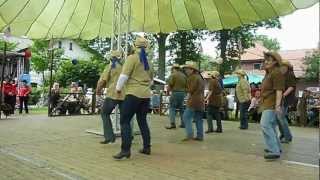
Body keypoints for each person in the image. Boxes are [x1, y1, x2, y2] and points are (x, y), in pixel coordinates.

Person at [113, 37, 153, 159]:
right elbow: (151, 80)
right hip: (146, 95)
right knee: (142, 121)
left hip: (133, 94)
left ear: (134, 46)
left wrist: (118, 89)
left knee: (124, 121)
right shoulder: (149, 62)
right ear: (147, 48)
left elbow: (124, 76)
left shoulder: (132, 58)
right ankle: (147, 148)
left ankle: (125, 150)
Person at [260, 51, 285, 160]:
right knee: (271, 126)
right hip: (267, 103)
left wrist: (278, 105)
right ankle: (276, 147)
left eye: (269, 60)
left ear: (275, 62)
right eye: (266, 60)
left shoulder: (276, 73)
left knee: (265, 125)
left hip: (272, 104)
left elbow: (279, 90)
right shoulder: (269, 73)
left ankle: (274, 150)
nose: (266, 62)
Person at [96, 50, 124, 144]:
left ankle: (109, 137)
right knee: (125, 117)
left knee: (104, 113)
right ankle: (128, 136)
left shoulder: (110, 67)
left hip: (112, 93)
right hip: (124, 94)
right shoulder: (124, 67)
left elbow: (102, 81)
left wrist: (98, 90)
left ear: (111, 58)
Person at [181, 61, 205, 141]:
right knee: (198, 118)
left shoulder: (193, 77)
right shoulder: (199, 77)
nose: (185, 71)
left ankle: (189, 134)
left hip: (193, 100)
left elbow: (191, 89)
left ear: (192, 70)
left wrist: (185, 89)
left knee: (186, 117)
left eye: (187, 69)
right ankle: (200, 136)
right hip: (200, 100)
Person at [277, 60, 295, 143]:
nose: (282, 68)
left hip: (286, 99)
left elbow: (291, 87)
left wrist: (283, 95)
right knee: (279, 118)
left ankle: (287, 137)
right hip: (281, 99)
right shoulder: (282, 75)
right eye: (281, 67)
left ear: (287, 67)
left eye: (284, 67)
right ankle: (283, 134)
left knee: (281, 118)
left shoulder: (290, 74)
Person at [166, 64, 187, 129]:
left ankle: (172, 124)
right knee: (182, 109)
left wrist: (168, 92)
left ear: (174, 68)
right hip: (183, 93)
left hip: (175, 93)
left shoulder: (173, 75)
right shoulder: (184, 76)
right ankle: (183, 123)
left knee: (172, 108)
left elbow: (170, 84)